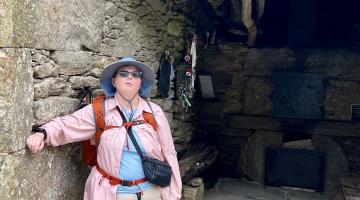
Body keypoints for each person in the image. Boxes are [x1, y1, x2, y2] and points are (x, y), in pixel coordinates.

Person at [27, 57, 182, 200]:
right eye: (124, 74)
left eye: (136, 75)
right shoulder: (99, 111)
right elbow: (67, 124)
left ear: (141, 82)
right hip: (111, 193)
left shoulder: (153, 112)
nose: (130, 77)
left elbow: (169, 153)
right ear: (114, 81)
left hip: (150, 192)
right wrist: (42, 134)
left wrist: (173, 195)